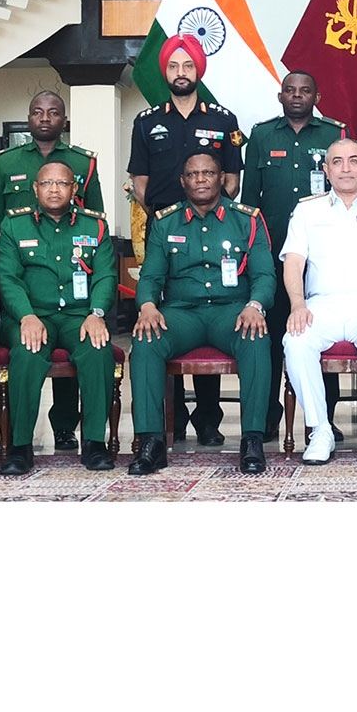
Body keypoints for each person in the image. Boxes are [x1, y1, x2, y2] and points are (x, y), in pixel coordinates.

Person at [127, 151, 274, 476]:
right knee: (146, 340)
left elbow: (265, 275)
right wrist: (148, 305)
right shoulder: (166, 221)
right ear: (183, 181)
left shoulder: (247, 219)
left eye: (208, 173)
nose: (201, 179)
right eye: (193, 174)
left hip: (232, 312)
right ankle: (151, 442)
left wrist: (255, 305)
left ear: (222, 179)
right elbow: (150, 276)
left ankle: (252, 440)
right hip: (182, 314)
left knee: (257, 336)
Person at [129, 34, 244, 444]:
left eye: (188, 66)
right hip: (165, 235)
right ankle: (171, 419)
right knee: (162, 318)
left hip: (213, 230)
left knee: (210, 305)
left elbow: (231, 178)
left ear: (199, 70)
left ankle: (209, 421)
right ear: (166, 72)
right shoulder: (146, 121)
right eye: (174, 67)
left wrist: (210, 215)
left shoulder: (222, 120)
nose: (181, 73)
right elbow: (139, 182)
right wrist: (165, 221)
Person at [0, 89, 102, 451]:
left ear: (63, 120)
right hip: (23, 273)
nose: (45, 118)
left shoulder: (83, 163)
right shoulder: (6, 162)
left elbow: (95, 221)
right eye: (38, 112)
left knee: (79, 340)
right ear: (29, 117)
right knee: (32, 345)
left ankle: (66, 427)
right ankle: (19, 442)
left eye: (53, 113)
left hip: (71, 274)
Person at [279, 138, 357, 465]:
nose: (346, 168)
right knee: (295, 341)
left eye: (354, 161)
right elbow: (293, 262)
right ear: (325, 170)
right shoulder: (307, 210)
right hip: (320, 306)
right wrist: (297, 305)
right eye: (337, 161)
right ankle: (319, 429)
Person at [239, 70, 347, 439]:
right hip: (271, 256)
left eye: (305, 91)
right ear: (280, 95)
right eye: (290, 90)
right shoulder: (262, 135)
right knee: (269, 338)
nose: (297, 96)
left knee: (320, 335)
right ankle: (268, 416)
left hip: (322, 257)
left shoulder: (334, 134)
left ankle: (324, 417)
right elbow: (250, 203)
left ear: (317, 97)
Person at [0, 161, 118, 474]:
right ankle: (20, 446)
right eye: (46, 184)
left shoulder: (96, 226)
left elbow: (105, 276)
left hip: (79, 316)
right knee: (28, 352)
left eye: (61, 184)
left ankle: (93, 443)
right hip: (33, 315)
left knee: (97, 349)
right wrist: (26, 316)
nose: (54, 189)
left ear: (74, 189)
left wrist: (96, 313)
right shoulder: (13, 225)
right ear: (35, 189)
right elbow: (8, 278)